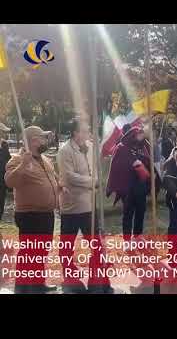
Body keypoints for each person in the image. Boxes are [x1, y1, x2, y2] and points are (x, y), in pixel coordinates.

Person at [57, 118, 113, 294]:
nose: (89, 132)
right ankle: (70, 279)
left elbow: (96, 168)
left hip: (90, 206)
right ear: (75, 133)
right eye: (86, 130)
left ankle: (98, 283)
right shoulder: (65, 151)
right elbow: (68, 177)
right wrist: (93, 181)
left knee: (97, 246)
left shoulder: (89, 147)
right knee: (66, 247)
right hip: (72, 207)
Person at [5, 126, 61, 294]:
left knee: (42, 252)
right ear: (33, 140)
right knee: (28, 253)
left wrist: (59, 189)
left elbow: (53, 181)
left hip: (47, 214)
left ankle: (38, 285)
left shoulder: (46, 160)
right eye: (43, 138)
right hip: (29, 215)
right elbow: (9, 182)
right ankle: (22, 289)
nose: (46, 141)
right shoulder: (16, 159)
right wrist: (23, 164)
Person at [106, 126, 156, 241]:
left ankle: (138, 235)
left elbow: (149, 162)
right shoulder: (121, 148)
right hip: (127, 187)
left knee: (141, 210)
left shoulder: (143, 147)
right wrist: (131, 164)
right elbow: (116, 166)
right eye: (139, 135)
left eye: (142, 135)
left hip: (140, 186)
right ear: (132, 135)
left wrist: (147, 167)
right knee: (128, 213)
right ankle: (127, 240)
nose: (141, 137)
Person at [163, 147, 177, 235]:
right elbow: (167, 180)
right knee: (174, 223)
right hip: (173, 199)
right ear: (174, 154)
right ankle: (173, 247)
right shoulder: (169, 164)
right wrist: (176, 192)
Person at [0, 122, 11, 221]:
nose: (5, 134)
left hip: (2, 184)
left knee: (1, 207)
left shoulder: (4, 145)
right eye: (3, 132)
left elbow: (9, 161)